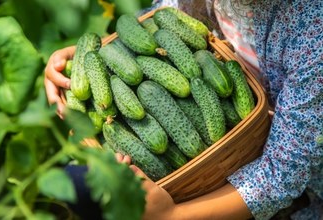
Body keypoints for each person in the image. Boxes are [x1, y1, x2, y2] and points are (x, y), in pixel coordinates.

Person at [44, 0, 323, 219]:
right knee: (79, 183)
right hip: (199, 149)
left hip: (266, 174)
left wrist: (173, 216)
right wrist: (80, 62)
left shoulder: (313, 36)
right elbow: (161, 17)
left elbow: (281, 175)